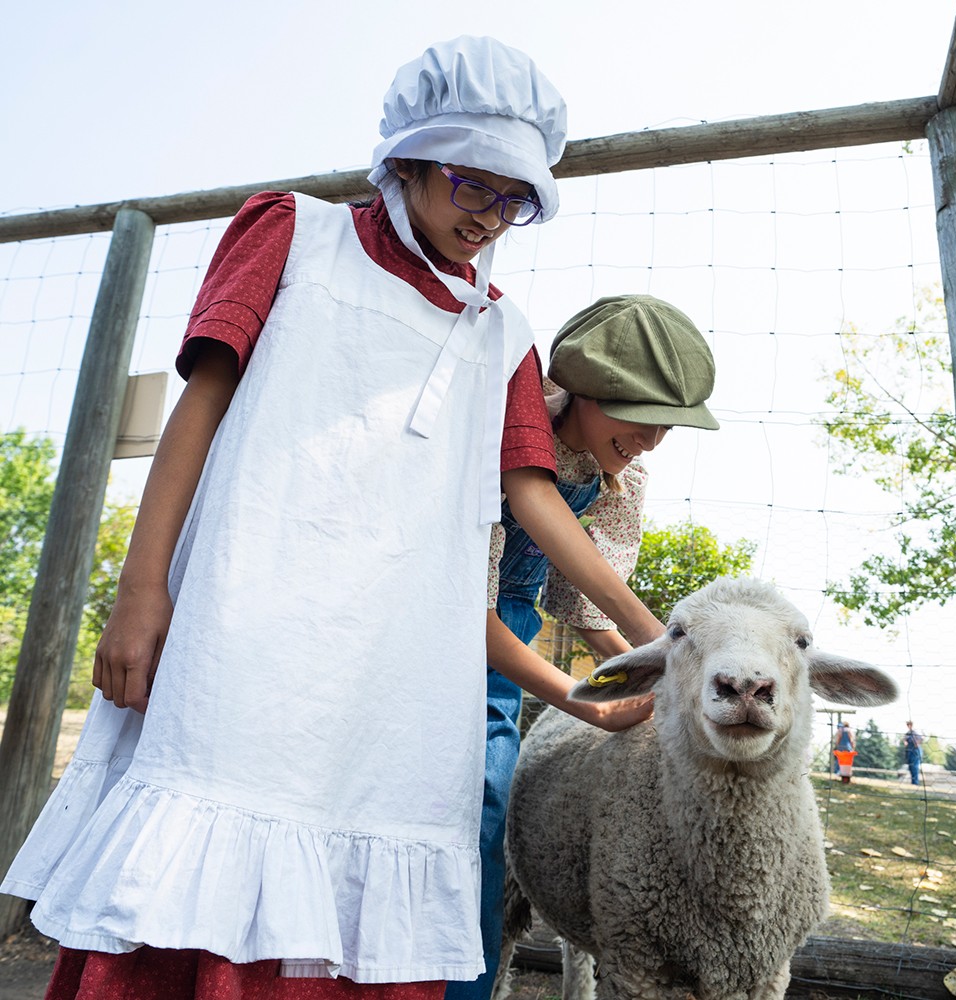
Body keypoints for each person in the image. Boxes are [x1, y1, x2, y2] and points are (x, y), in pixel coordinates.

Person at [1, 37, 659, 999]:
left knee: (356, 874)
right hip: (239, 636)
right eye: (471, 181)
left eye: (515, 198)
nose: (489, 215)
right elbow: (203, 407)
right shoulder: (294, 233)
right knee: (204, 853)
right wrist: (141, 592)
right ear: (407, 158)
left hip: (393, 679)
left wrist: (660, 635)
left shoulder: (504, 333)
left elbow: (532, 495)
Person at [446, 294, 718, 1000]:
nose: (655, 439)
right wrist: (584, 701)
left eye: (670, 425)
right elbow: (459, 605)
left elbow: (584, 605)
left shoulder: (615, 476)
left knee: (485, 812)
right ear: (590, 389)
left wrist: (661, 674)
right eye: (645, 416)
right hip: (439, 630)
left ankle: (461, 990)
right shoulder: (505, 430)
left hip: (505, 658)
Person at [833, 719, 856, 784]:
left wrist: (837, 745)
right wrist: (853, 748)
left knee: (840, 762)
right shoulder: (850, 730)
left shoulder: (840, 730)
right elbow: (852, 740)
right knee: (847, 763)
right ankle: (847, 777)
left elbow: (839, 738)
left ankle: (839, 774)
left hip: (841, 747)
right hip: (848, 748)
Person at [904, 721, 924, 785]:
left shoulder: (915, 732)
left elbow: (920, 739)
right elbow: (905, 740)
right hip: (910, 752)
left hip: (915, 752)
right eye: (907, 725)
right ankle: (913, 782)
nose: (908, 726)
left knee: (915, 767)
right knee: (911, 767)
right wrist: (905, 741)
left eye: (909, 725)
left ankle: (915, 783)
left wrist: (917, 743)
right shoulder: (908, 733)